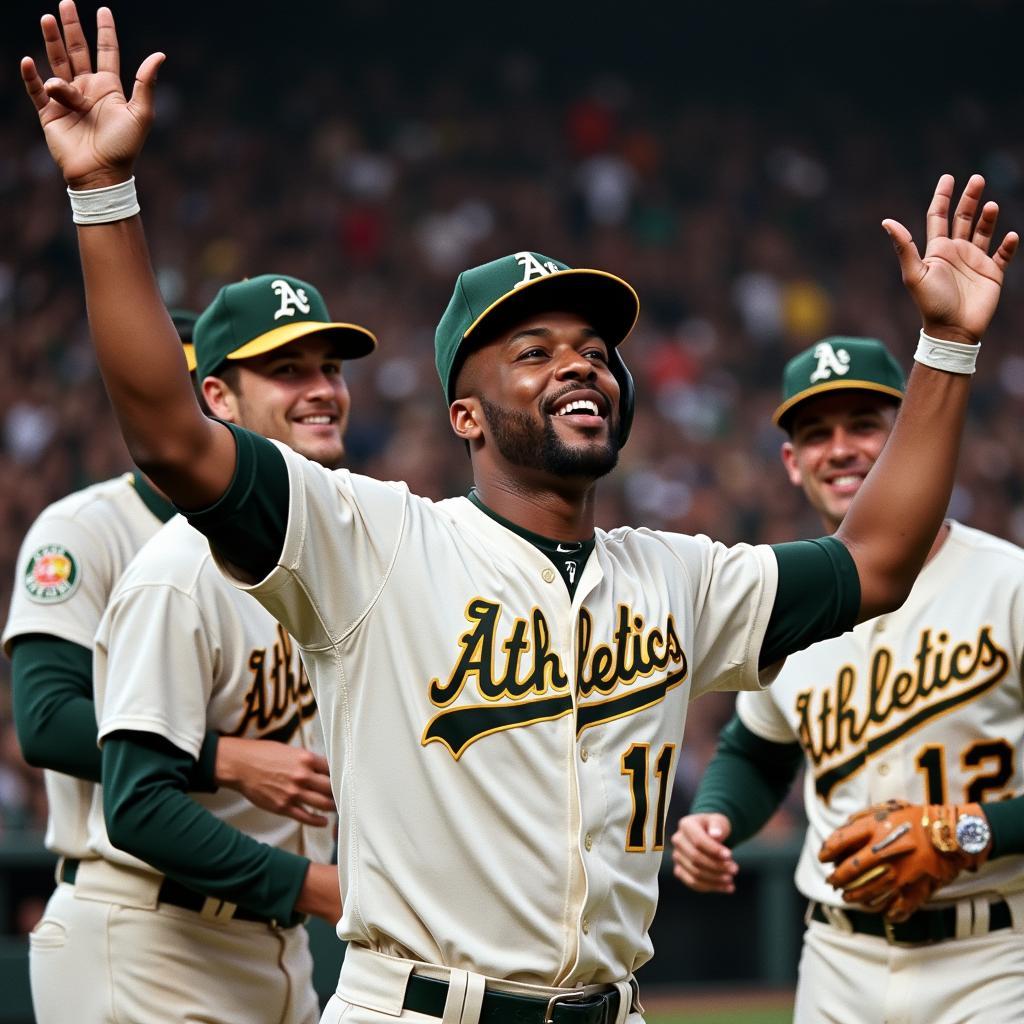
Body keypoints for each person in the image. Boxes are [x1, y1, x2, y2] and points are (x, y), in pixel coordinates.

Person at [20, 6, 1018, 1024]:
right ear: (465, 414)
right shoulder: (371, 542)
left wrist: (945, 349)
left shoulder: (682, 576)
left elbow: (880, 560)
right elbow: (172, 438)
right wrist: (104, 193)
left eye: (592, 347)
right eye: (532, 351)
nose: (578, 362)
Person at [1, 310, 340, 1023]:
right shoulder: (87, 530)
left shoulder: (309, 542)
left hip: (273, 934)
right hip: (145, 913)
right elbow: (46, 723)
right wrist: (222, 758)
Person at [671, 337, 1024, 1023]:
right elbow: (757, 747)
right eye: (816, 433)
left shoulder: (1009, 583)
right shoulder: (787, 599)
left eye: (865, 425)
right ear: (791, 463)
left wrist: (968, 832)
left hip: (995, 957)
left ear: (914, 437)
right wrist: (716, 814)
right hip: (838, 962)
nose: (840, 448)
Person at [84, 273, 375, 1024]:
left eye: (330, 368)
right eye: (287, 371)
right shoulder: (177, 573)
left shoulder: (343, 557)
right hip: (158, 942)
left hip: (275, 949)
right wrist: (321, 888)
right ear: (216, 398)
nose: (321, 389)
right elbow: (137, 804)